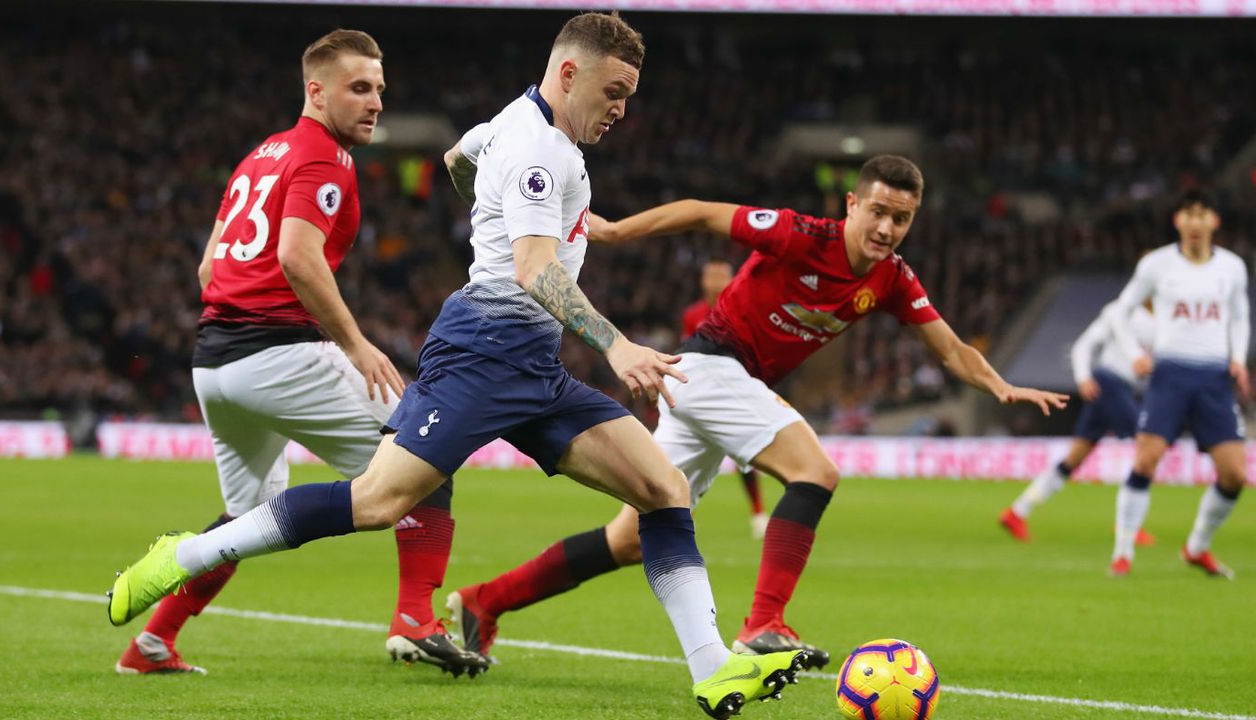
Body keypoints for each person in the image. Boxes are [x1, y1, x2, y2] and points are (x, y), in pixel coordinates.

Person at [107, 14, 807, 718]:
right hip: (479, 353)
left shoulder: (514, 123)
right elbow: (534, 267)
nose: (623, 107)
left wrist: (497, 216)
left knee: (663, 487)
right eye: (615, 89)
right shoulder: (541, 151)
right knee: (379, 503)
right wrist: (615, 344)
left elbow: (455, 161)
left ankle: (714, 669)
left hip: (533, 363)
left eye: (630, 92)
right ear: (570, 74)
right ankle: (185, 556)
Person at [446, 155, 1068, 672]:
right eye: (877, 212)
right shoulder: (802, 234)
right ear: (852, 204)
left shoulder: (893, 279)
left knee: (630, 539)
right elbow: (701, 213)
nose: (886, 228)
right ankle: (764, 623)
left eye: (901, 219)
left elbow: (951, 347)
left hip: (705, 385)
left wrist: (1000, 386)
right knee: (815, 472)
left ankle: (484, 601)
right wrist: (612, 233)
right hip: (711, 367)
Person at [110, 29, 486, 679]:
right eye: (359, 89)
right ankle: (414, 618)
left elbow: (208, 270)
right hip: (279, 353)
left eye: (379, 90)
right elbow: (295, 256)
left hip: (215, 364)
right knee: (426, 456)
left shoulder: (260, 155)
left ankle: (152, 643)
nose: (374, 103)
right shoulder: (323, 159)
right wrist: (356, 344)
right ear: (317, 91)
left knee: (244, 517)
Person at [1105, 189, 1249, 578]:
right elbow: (1121, 311)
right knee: (1146, 459)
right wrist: (1134, 350)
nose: (1196, 221)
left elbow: (1239, 315)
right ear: (1178, 221)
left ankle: (1197, 547)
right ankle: (1123, 553)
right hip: (1170, 374)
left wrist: (1238, 357)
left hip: (1215, 376)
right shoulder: (1157, 264)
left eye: (1203, 214)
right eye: (1189, 214)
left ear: (1214, 221)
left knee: (1235, 474)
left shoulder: (1232, 268)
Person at [999, 300, 1158, 543]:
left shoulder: (1161, 319)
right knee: (1149, 447)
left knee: (1075, 457)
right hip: (1110, 383)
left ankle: (1017, 512)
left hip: (1119, 387)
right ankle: (1129, 525)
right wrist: (1083, 377)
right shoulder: (1122, 311)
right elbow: (1084, 345)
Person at [683, 259, 768, 539]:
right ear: (703, 281)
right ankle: (684, 517)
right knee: (689, 460)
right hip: (699, 395)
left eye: (722, 276)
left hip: (733, 394)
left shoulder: (742, 311)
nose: (717, 281)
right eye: (712, 275)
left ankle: (758, 513)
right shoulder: (693, 315)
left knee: (744, 460)